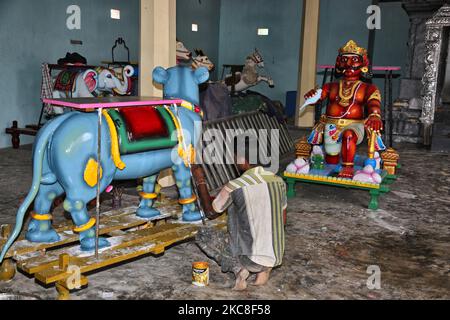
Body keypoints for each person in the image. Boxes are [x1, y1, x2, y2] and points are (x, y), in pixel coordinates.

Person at [193, 137, 287, 290]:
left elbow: (210, 212)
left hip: (248, 258)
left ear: (243, 159)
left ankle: (239, 269)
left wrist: (200, 180)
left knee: (203, 235)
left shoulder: (235, 186)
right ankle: (265, 269)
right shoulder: (278, 181)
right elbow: (282, 220)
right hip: (276, 255)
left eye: (235, 156)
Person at [304, 40, 384, 178]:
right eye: (344, 60)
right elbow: (316, 99)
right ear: (338, 63)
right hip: (331, 125)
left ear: (364, 64)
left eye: (354, 60)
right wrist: (311, 96)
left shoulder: (368, 88)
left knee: (348, 135)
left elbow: (373, 103)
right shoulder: (330, 86)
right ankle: (331, 162)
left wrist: (375, 115)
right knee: (332, 158)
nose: (348, 64)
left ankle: (348, 167)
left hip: (354, 126)